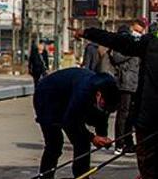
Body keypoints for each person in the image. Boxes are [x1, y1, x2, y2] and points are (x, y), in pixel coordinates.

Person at [74, 26, 158, 178]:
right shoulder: (150, 41)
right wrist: (90, 33)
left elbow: (122, 43)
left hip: (148, 119)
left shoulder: (151, 41)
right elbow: (121, 42)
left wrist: (89, 33)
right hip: (147, 120)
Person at [32, 68, 119, 178]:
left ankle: (81, 175)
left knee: (82, 143)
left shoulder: (109, 91)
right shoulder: (83, 92)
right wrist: (92, 137)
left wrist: (102, 136)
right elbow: (70, 122)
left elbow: (102, 116)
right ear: (98, 95)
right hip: (47, 97)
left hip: (67, 97)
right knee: (55, 143)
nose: (105, 110)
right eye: (103, 105)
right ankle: (45, 176)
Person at [109, 20, 144, 155]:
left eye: (140, 32)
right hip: (125, 82)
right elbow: (116, 57)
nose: (138, 34)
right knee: (123, 114)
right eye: (137, 31)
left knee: (132, 115)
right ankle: (119, 144)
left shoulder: (138, 43)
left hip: (136, 82)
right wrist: (133, 49)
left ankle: (128, 143)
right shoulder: (125, 42)